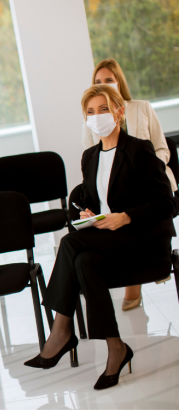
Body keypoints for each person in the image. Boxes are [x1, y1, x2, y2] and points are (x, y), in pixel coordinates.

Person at [25, 84, 176, 390]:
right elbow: (94, 200)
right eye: (90, 112)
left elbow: (168, 204)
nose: (96, 117)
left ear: (119, 112)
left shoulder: (140, 150)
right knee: (84, 263)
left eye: (103, 109)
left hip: (144, 239)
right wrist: (88, 213)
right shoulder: (90, 157)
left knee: (69, 243)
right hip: (109, 240)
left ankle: (60, 330)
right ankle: (115, 347)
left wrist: (127, 216)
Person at [82, 58, 176, 310]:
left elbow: (160, 147)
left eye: (108, 80)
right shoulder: (92, 132)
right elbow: (93, 160)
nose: (104, 85)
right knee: (81, 253)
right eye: (98, 82)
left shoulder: (141, 108)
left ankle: (152, 262)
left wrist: (149, 168)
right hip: (115, 187)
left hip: (148, 179)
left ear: (119, 81)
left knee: (73, 247)